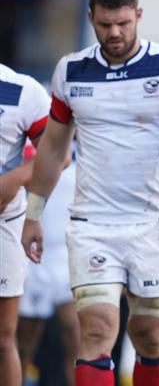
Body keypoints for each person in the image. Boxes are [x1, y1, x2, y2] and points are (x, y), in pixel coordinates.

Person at [21, 0, 159, 386]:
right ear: (91, 16)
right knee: (95, 331)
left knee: (149, 336)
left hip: (153, 223)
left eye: (123, 23)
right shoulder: (70, 72)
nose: (114, 33)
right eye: (106, 24)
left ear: (139, 15)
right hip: (93, 224)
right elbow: (54, 147)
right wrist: (34, 212)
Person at [0, 63, 50, 385]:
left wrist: (13, 181)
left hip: (6, 218)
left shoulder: (23, 89)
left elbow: (55, 154)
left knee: (3, 338)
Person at [18, 149, 80, 386]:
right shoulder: (30, 119)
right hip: (32, 252)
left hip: (68, 250)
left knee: (79, 344)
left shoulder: (83, 123)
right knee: (23, 345)